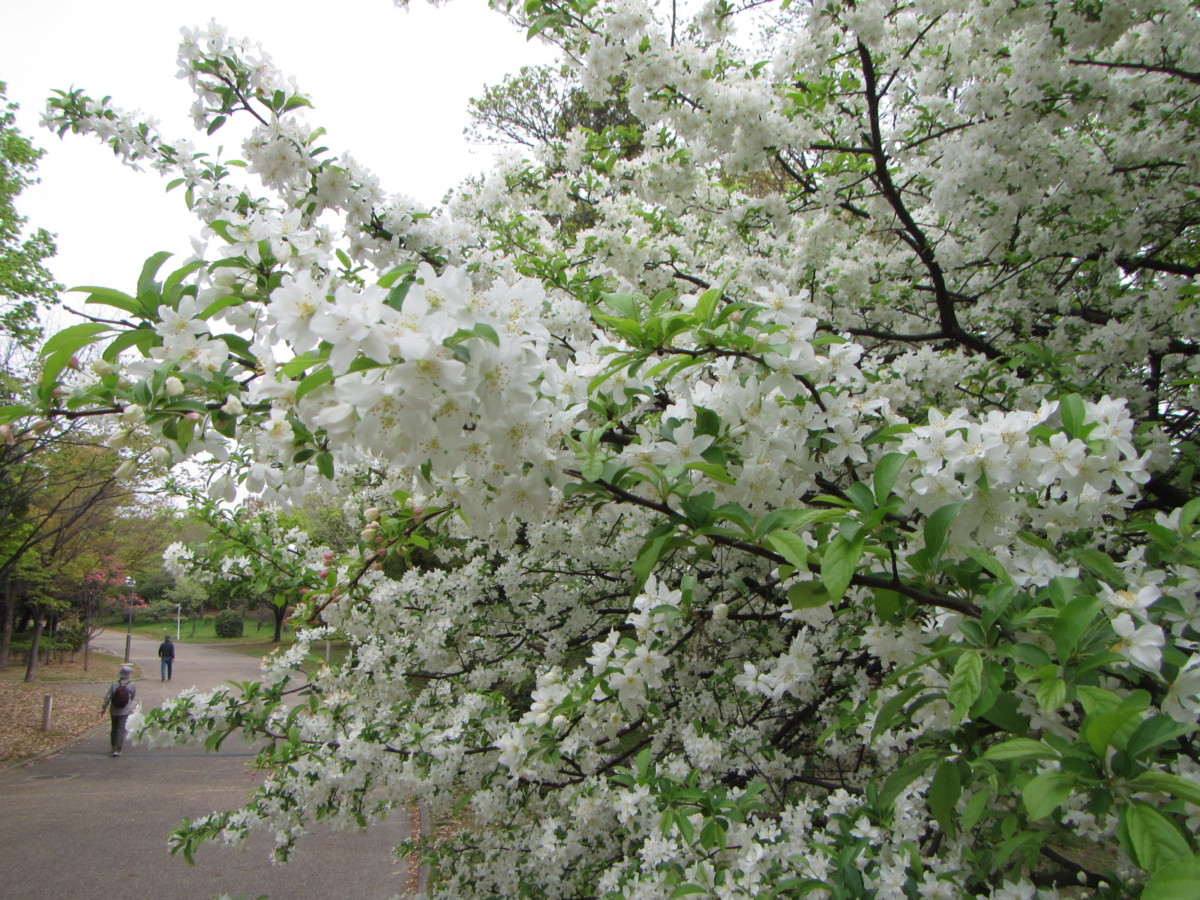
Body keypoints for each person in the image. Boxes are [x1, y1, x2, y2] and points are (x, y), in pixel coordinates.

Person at [100, 664, 136, 757]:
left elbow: (108, 697)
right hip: (124, 710)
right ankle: (118, 749)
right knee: (121, 729)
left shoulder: (115, 684)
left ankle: (113, 746)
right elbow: (132, 696)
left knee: (114, 728)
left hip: (114, 710)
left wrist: (104, 708)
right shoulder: (131, 685)